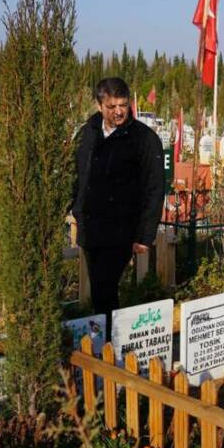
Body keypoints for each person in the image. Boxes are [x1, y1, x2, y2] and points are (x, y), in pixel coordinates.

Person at [71, 78, 165, 333]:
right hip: (91, 225)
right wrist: (75, 208)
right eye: (112, 106)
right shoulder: (87, 132)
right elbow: (75, 174)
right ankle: (106, 339)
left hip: (123, 228)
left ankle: (109, 343)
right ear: (99, 105)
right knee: (101, 288)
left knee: (104, 284)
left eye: (123, 105)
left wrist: (145, 235)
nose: (119, 111)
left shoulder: (144, 140)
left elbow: (155, 188)